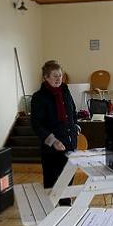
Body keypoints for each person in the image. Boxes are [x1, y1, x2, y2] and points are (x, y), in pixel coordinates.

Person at [30, 60, 79, 205]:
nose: (58, 79)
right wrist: (53, 141)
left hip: (69, 144)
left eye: (60, 75)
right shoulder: (39, 97)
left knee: (68, 180)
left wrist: (75, 126)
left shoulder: (65, 90)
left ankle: (65, 209)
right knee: (51, 183)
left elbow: (72, 111)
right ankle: (49, 213)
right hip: (51, 147)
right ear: (46, 77)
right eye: (54, 76)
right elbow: (36, 124)